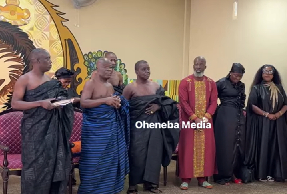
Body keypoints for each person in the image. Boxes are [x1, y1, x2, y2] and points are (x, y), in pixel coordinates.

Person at [11, 48, 74, 194]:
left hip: (53, 131)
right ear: (36, 61)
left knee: (53, 165)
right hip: (34, 131)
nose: (51, 62)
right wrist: (40, 103)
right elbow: (15, 104)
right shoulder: (24, 79)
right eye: (47, 59)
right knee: (34, 168)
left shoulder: (51, 81)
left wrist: (62, 103)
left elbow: (59, 100)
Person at [123, 60, 179, 194]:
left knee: (154, 153)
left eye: (148, 69)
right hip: (137, 127)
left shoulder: (156, 86)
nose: (147, 71)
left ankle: (151, 184)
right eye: (144, 69)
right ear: (136, 71)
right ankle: (133, 185)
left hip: (154, 125)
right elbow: (123, 108)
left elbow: (169, 104)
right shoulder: (130, 88)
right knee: (137, 154)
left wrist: (158, 106)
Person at [78, 58, 130, 194]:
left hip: (110, 127)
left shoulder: (109, 86)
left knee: (110, 161)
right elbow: (83, 102)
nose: (109, 70)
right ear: (98, 68)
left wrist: (116, 102)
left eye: (111, 68)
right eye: (106, 67)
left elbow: (110, 102)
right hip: (94, 130)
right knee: (93, 162)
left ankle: (108, 189)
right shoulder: (90, 84)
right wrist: (105, 100)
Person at [243, 64, 287, 182]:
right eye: (265, 72)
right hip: (263, 122)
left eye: (270, 72)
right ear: (261, 74)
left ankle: (276, 173)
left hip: (278, 123)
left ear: (273, 75)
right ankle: (262, 173)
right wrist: (267, 114)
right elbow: (252, 106)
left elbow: (285, 104)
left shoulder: (279, 88)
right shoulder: (256, 88)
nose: (268, 74)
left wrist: (278, 114)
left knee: (277, 147)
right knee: (264, 146)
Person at [177, 56, 218, 190]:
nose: (198, 67)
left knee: (206, 150)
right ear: (193, 65)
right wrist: (195, 118)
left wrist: (206, 117)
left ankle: (203, 179)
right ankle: (185, 179)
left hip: (206, 122)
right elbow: (183, 102)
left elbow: (213, 102)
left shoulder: (211, 83)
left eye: (201, 64)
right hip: (189, 122)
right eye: (196, 64)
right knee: (187, 149)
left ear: (205, 66)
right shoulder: (185, 82)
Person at [213, 63, 246, 185]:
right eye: (236, 75)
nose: (237, 78)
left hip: (238, 115)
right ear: (231, 72)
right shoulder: (221, 83)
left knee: (238, 144)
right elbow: (211, 99)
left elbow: (242, 100)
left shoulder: (241, 85)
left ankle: (234, 174)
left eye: (240, 76)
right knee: (225, 146)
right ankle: (222, 176)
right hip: (225, 114)